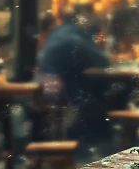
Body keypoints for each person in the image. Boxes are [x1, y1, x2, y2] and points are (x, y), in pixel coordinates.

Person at [36, 10, 110, 141]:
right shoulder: (76, 36)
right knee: (101, 87)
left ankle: (83, 130)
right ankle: (95, 134)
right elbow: (103, 61)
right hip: (54, 87)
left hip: (42, 81)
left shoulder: (60, 32)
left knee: (84, 84)